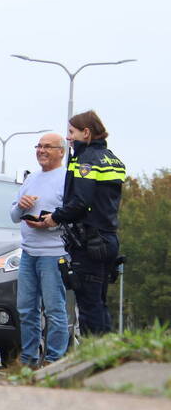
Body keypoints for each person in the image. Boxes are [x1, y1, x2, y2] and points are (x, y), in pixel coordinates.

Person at [40, 110, 126, 335]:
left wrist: (55, 217)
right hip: (109, 238)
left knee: (88, 305)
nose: (68, 137)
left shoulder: (86, 159)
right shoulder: (112, 158)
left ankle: (97, 358)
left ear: (85, 132)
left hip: (89, 242)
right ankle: (107, 353)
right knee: (99, 301)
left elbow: (81, 202)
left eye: (71, 132)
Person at [10, 133, 68, 366]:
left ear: (61, 151)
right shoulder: (31, 178)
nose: (41, 151)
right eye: (39, 146)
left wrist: (49, 223)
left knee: (54, 310)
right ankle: (28, 360)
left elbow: (73, 216)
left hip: (54, 253)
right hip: (28, 253)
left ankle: (53, 361)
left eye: (48, 147)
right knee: (26, 310)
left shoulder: (66, 179)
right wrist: (21, 206)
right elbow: (14, 216)